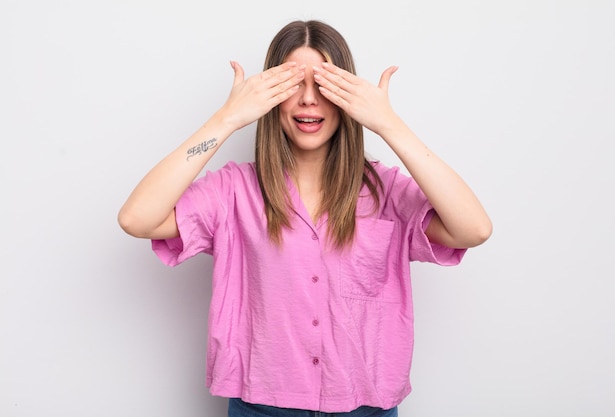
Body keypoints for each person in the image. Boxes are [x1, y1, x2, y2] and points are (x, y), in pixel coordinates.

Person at [118, 19, 492, 417]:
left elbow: (474, 229)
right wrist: (226, 119)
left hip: (366, 407)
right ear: (269, 97)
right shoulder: (233, 191)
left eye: (324, 86)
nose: (308, 101)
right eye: (293, 85)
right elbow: (137, 219)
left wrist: (388, 124)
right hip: (262, 406)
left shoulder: (386, 190)